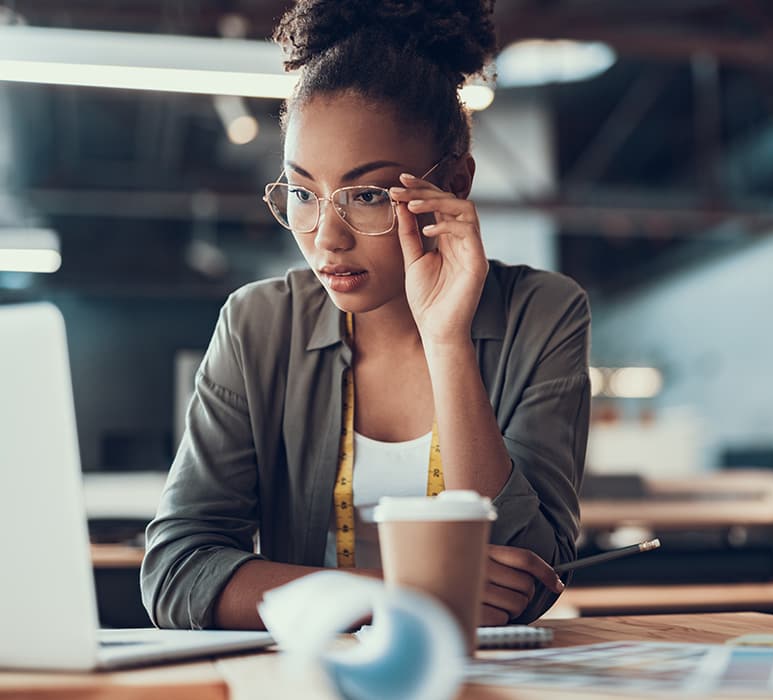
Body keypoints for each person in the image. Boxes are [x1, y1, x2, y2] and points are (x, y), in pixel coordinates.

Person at [140, 0, 590, 630]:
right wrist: (395, 592)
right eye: (302, 193)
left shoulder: (542, 313)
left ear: (455, 183)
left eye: (369, 195)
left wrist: (447, 341)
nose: (326, 237)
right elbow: (176, 573)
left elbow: (531, 575)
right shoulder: (258, 325)